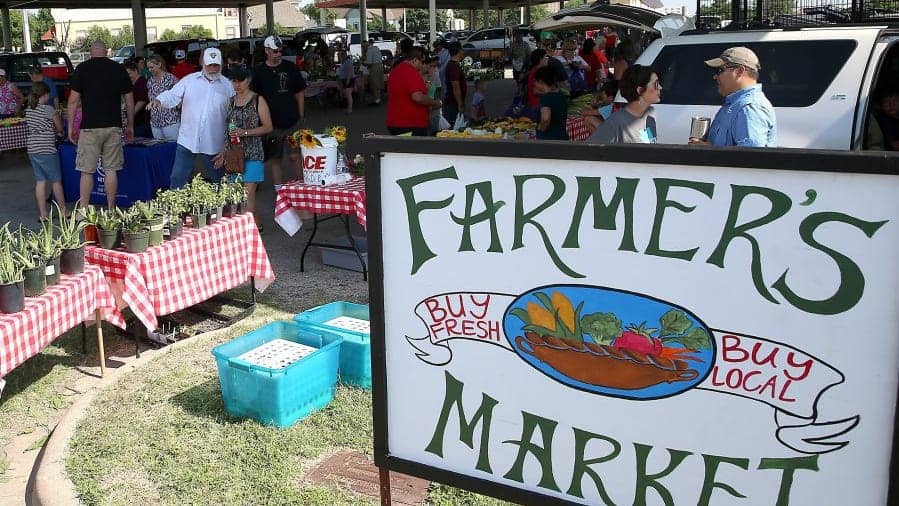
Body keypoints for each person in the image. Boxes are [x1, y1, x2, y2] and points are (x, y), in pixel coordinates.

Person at [149, 47, 234, 188]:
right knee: (178, 177)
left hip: (214, 142)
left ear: (221, 64)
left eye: (216, 65)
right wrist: (159, 100)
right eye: (209, 65)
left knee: (219, 178)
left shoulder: (227, 86)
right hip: (188, 139)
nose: (212, 68)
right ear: (203, 63)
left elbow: (232, 116)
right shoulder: (189, 81)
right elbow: (172, 95)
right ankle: (175, 207)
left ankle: (226, 207)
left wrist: (227, 145)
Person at [67, 41, 134, 209]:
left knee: (86, 170)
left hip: (90, 127)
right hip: (113, 126)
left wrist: (70, 127)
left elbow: (73, 101)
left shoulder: (82, 69)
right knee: (111, 169)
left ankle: (83, 210)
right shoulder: (118, 69)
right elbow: (129, 100)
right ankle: (111, 209)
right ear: (107, 52)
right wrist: (130, 125)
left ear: (91, 53)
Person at [215, 64, 272, 229]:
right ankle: (256, 226)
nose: (237, 85)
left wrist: (245, 133)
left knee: (248, 196)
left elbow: (268, 127)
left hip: (253, 154)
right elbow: (227, 131)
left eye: (241, 81)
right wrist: (224, 153)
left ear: (249, 80)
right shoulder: (230, 102)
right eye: (234, 81)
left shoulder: (258, 100)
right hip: (234, 155)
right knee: (238, 197)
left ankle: (249, 233)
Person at [690, 47, 777, 147]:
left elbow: (752, 159)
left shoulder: (749, 108)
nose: (715, 76)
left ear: (739, 71)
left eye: (720, 70)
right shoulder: (735, 104)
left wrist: (709, 151)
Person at [251, 35, 307, 186]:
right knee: (275, 158)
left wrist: (301, 114)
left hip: (292, 121)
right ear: (267, 51)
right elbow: (254, 96)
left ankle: (301, 184)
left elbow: (300, 91)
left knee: (294, 155)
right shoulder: (259, 71)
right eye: (275, 52)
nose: (278, 54)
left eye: (280, 51)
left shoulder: (290, 67)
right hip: (271, 123)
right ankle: (279, 188)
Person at [25, 82, 65, 221]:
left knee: (40, 181)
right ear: (45, 94)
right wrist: (58, 133)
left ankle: (43, 215)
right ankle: (63, 212)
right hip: (47, 148)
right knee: (56, 181)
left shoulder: (29, 109)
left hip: (33, 148)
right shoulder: (48, 109)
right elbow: (59, 127)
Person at [589, 65, 660, 144]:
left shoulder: (650, 114)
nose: (660, 87)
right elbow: (589, 151)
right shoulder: (615, 123)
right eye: (656, 84)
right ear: (640, 90)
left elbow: (649, 146)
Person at [386, 47, 442, 136]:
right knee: (414, 149)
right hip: (410, 124)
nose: (421, 65)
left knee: (403, 149)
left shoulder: (396, 70)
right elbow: (418, 97)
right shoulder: (411, 72)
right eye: (421, 62)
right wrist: (434, 103)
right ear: (415, 60)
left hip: (396, 122)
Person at [146, 55, 180, 141]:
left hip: (170, 121)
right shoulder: (150, 81)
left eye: (152, 67)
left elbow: (180, 95)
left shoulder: (170, 78)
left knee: (172, 148)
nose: (150, 70)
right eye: (148, 68)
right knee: (159, 149)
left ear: (159, 64)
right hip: (155, 122)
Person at [534, 66, 568, 141]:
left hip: (549, 140)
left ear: (540, 81)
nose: (535, 84)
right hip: (562, 137)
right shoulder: (561, 94)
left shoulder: (546, 98)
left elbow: (546, 119)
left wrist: (541, 129)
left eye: (535, 81)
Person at [124, 60, 151, 138]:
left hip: (142, 121)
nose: (128, 76)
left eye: (129, 73)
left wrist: (130, 116)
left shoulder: (142, 82)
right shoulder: (131, 83)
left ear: (135, 71)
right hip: (135, 121)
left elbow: (141, 101)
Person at [443, 42, 467, 124]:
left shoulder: (454, 65)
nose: (463, 52)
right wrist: (460, 104)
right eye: (462, 50)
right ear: (459, 51)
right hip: (453, 103)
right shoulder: (453, 67)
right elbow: (456, 87)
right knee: (454, 126)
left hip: (453, 102)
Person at [362, 40, 385, 105]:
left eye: (363, 46)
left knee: (374, 84)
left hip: (374, 67)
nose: (363, 48)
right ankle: (380, 98)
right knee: (380, 82)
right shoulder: (376, 48)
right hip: (380, 66)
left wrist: (363, 63)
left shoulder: (369, 51)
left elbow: (369, 63)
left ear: (366, 46)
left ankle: (377, 100)